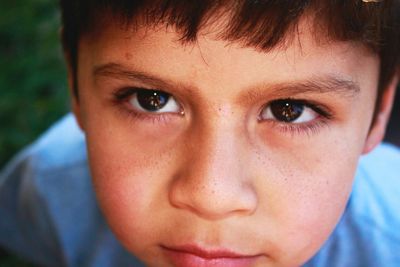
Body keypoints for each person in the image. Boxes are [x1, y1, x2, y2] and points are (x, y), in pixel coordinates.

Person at [1, 0, 400, 266]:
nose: (212, 196)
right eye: (151, 99)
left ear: (379, 109)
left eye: (289, 111)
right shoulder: (46, 194)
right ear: (75, 85)